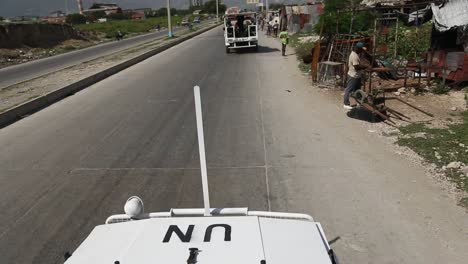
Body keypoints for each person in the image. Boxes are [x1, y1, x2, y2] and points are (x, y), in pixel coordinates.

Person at [343, 42, 368, 110]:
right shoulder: (354, 56)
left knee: (358, 90)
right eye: (361, 49)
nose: (362, 51)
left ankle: (358, 103)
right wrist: (364, 66)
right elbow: (356, 67)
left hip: (357, 76)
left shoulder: (356, 54)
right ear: (357, 48)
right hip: (353, 76)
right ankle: (346, 103)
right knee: (349, 90)